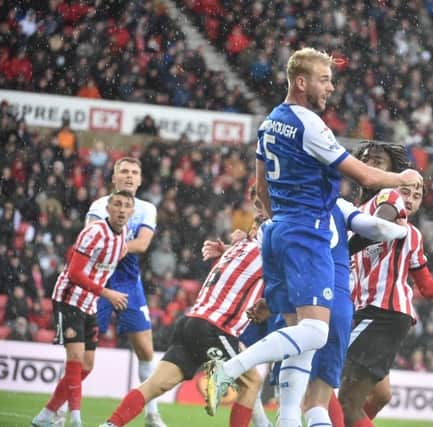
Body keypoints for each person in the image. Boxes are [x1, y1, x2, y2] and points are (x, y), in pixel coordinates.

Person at [209, 47, 422, 426]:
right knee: (315, 332)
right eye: (325, 80)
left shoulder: (270, 121)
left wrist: (283, 223)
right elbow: (368, 178)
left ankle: (286, 420)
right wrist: (404, 179)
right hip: (308, 233)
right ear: (302, 82)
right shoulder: (308, 124)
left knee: (301, 348)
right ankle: (230, 368)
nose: (331, 88)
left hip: (277, 231)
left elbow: (261, 190)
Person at [338, 142, 433, 427]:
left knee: (340, 395)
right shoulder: (391, 221)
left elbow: (381, 225)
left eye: (417, 195)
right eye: (409, 191)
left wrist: (335, 252)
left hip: (379, 313)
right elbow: (427, 287)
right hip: (383, 315)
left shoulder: (388, 201)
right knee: (379, 395)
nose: (412, 198)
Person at [237, 197, 409, 427]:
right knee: (317, 403)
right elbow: (374, 229)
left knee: (291, 402)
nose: (259, 210)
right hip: (340, 308)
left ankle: (232, 368)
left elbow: (279, 276)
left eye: (261, 202)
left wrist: (270, 302)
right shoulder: (338, 205)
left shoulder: (277, 223)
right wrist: (400, 230)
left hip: (304, 306)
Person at [99, 213, 268, 427]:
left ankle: (111, 424)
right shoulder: (264, 254)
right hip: (215, 329)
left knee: (155, 385)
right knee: (251, 381)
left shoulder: (237, 249)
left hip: (190, 323)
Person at [32, 191, 133, 427]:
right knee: (75, 358)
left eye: (126, 206)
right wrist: (107, 293)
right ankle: (75, 420)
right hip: (68, 298)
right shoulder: (94, 232)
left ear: (131, 212)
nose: (121, 209)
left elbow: (108, 263)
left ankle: (46, 415)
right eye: (117, 204)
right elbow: (75, 273)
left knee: (87, 366)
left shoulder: (124, 236)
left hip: (89, 303)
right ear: (108, 209)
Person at [86, 157, 165, 427]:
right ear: (114, 178)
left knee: (145, 351)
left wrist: (113, 246)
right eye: (124, 172)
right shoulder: (99, 206)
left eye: (134, 172)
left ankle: (152, 414)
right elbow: (89, 239)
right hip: (100, 283)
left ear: (140, 180)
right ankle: (59, 409)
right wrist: (113, 247)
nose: (129, 177)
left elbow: (142, 244)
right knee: (83, 357)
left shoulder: (146, 208)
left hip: (130, 286)